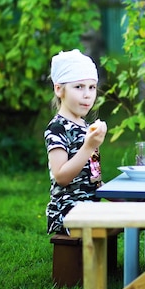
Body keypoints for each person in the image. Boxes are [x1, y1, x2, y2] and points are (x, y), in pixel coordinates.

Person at [45, 49, 108, 236]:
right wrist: (88, 147)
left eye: (92, 87)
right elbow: (61, 177)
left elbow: (93, 179)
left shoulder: (86, 127)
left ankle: (121, 265)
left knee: (131, 215)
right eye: (79, 87)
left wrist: (119, 196)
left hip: (90, 207)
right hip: (67, 211)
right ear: (59, 89)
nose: (87, 94)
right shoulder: (57, 128)